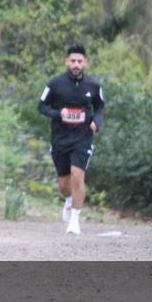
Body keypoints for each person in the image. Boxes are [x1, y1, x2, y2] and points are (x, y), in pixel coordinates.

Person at [38, 44, 105, 235]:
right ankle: (68, 200)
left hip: (83, 138)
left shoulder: (93, 86)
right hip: (60, 138)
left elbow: (100, 107)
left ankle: (75, 220)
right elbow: (41, 106)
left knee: (78, 175)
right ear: (66, 61)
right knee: (63, 184)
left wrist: (97, 122)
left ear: (86, 63)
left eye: (79, 61)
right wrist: (58, 113)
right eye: (73, 61)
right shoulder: (54, 84)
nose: (76, 64)